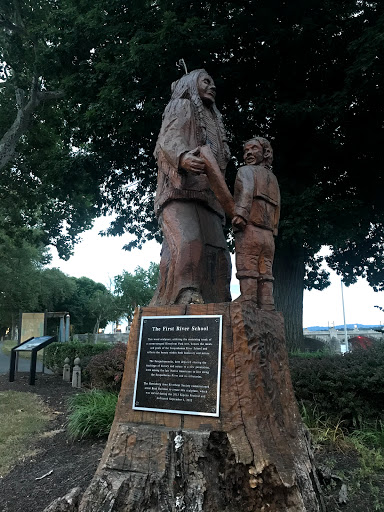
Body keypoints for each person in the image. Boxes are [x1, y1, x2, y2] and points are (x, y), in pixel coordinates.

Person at [150, 69, 232, 306]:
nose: (212, 86)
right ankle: (185, 292)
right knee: (189, 240)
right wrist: (183, 157)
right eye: (206, 81)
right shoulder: (181, 106)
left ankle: (218, 299)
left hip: (208, 197)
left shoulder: (214, 119)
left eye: (213, 81)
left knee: (218, 253)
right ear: (190, 83)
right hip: (180, 192)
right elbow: (167, 139)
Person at [232, 137, 280, 309]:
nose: (249, 153)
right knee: (266, 270)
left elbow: (246, 191)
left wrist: (241, 215)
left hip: (250, 228)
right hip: (268, 236)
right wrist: (274, 229)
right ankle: (267, 302)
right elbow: (278, 207)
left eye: (254, 149)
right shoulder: (273, 179)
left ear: (265, 153)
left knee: (248, 265)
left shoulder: (246, 171)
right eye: (246, 151)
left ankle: (249, 299)